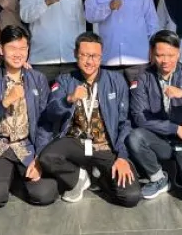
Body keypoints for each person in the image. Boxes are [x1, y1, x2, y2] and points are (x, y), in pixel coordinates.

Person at [39, 32, 140, 207]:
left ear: (101, 57)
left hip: (105, 147)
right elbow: (50, 113)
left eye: (94, 56)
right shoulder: (64, 80)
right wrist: (69, 99)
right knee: (47, 157)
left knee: (130, 196)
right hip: (75, 145)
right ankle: (79, 176)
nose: (89, 61)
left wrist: (122, 156)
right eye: (84, 55)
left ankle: (98, 176)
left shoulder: (116, 80)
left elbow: (125, 122)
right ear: (75, 54)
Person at [126, 30, 182, 203]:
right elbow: (139, 117)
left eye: (171, 55)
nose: (165, 60)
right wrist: (175, 129)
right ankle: (159, 178)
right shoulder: (143, 78)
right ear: (152, 53)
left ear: (179, 53)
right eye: (160, 55)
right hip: (161, 139)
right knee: (135, 137)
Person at [0, 25, 58, 208]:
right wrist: (4, 102)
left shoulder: (37, 79)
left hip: (26, 146)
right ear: (1, 49)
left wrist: (40, 158)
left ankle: (17, 178)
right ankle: (9, 176)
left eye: (23, 48)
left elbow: (45, 123)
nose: (18, 53)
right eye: (12, 48)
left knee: (46, 193)